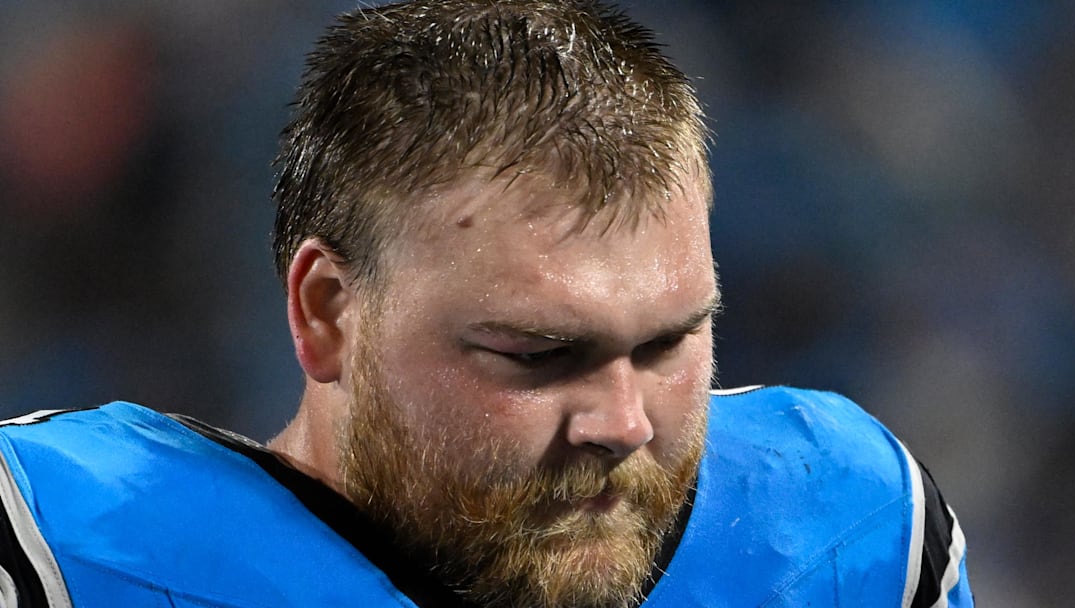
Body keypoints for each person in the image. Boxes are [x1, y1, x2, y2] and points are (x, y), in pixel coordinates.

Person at [0, 1, 973, 606]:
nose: (624, 423)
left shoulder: (850, 527)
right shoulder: (60, 551)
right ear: (329, 312)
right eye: (539, 354)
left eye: (668, 342)